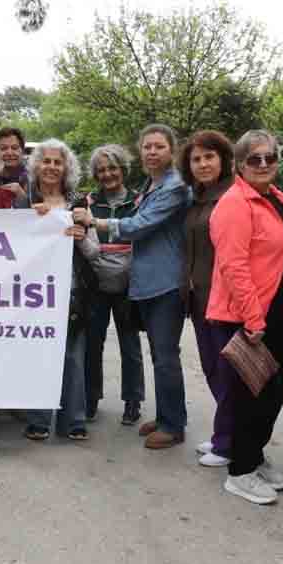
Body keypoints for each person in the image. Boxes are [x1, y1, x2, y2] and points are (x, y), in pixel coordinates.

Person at [74, 125, 190, 450]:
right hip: (126, 282)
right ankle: (166, 416)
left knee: (156, 354)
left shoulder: (167, 189)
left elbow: (139, 227)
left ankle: (162, 418)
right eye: (147, 147)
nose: (152, 152)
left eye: (159, 147)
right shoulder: (151, 186)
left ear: (172, 150)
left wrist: (95, 224)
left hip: (155, 282)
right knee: (151, 353)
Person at [205, 130, 283, 504]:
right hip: (248, 318)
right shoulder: (234, 204)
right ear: (239, 165)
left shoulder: (278, 199)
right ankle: (240, 471)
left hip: (279, 312)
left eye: (269, 157)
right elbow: (233, 265)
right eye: (253, 159)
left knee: (271, 395)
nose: (263, 164)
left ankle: (254, 455)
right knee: (249, 397)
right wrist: (253, 318)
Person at [23, 140, 90, 442]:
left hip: (72, 291)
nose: (51, 167)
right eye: (45, 161)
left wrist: (81, 236)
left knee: (73, 357)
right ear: (36, 165)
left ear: (66, 168)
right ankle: (38, 419)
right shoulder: (23, 201)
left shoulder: (78, 202)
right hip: (31, 293)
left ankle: (74, 419)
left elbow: (95, 253)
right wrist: (28, 221)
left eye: (57, 162)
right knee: (36, 355)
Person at [178, 131, 235, 465]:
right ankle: (222, 434)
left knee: (227, 373)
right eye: (196, 159)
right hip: (199, 298)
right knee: (213, 368)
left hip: (225, 301)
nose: (202, 164)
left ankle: (229, 443)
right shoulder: (198, 198)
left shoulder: (232, 196)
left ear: (224, 159)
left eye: (209, 157)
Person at [79, 144, 144, 427]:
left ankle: (133, 401)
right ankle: (90, 398)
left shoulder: (139, 200)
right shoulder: (88, 201)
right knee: (93, 342)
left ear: (123, 169)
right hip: (95, 281)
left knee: (130, 344)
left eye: (112, 168)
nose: (107, 174)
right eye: (102, 170)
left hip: (130, 282)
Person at [0, 125, 29, 202]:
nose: (9, 153)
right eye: (3, 148)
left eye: (14, 148)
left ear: (22, 151)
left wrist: (23, 199)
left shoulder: (34, 180)